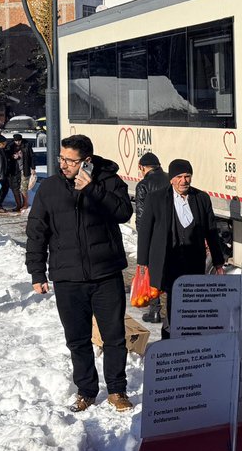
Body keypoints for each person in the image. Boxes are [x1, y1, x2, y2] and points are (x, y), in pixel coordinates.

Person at [26, 134, 134, 412]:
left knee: (114, 337)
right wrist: (37, 272)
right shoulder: (50, 188)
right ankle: (86, 390)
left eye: (70, 160)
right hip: (67, 276)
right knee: (77, 338)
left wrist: (93, 189)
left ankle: (117, 390)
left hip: (105, 273)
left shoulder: (108, 182)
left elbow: (123, 212)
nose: (63, 164)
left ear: (86, 161)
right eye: (61, 158)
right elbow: (37, 231)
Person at [137, 158, 227, 339]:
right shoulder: (156, 199)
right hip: (167, 260)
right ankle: (169, 340)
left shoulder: (201, 198)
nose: (184, 181)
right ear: (171, 179)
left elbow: (211, 231)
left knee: (190, 302)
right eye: (179, 177)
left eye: (187, 176)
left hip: (193, 260)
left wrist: (218, 263)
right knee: (173, 300)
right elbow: (145, 231)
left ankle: (188, 338)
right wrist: (142, 263)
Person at [134, 152, 170, 324]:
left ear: (142, 167)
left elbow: (141, 216)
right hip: (171, 233)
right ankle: (173, 311)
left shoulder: (143, 185)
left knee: (153, 272)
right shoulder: (170, 179)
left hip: (153, 235)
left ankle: (154, 311)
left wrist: (142, 239)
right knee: (171, 272)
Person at [11, 133, 35, 212]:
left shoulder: (26, 146)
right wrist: (13, 157)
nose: (17, 142)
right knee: (15, 188)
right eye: (16, 141)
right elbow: (7, 156)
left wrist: (33, 168)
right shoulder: (11, 146)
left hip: (24, 169)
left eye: (19, 141)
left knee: (23, 188)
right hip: (15, 170)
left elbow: (31, 157)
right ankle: (18, 204)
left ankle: (25, 204)